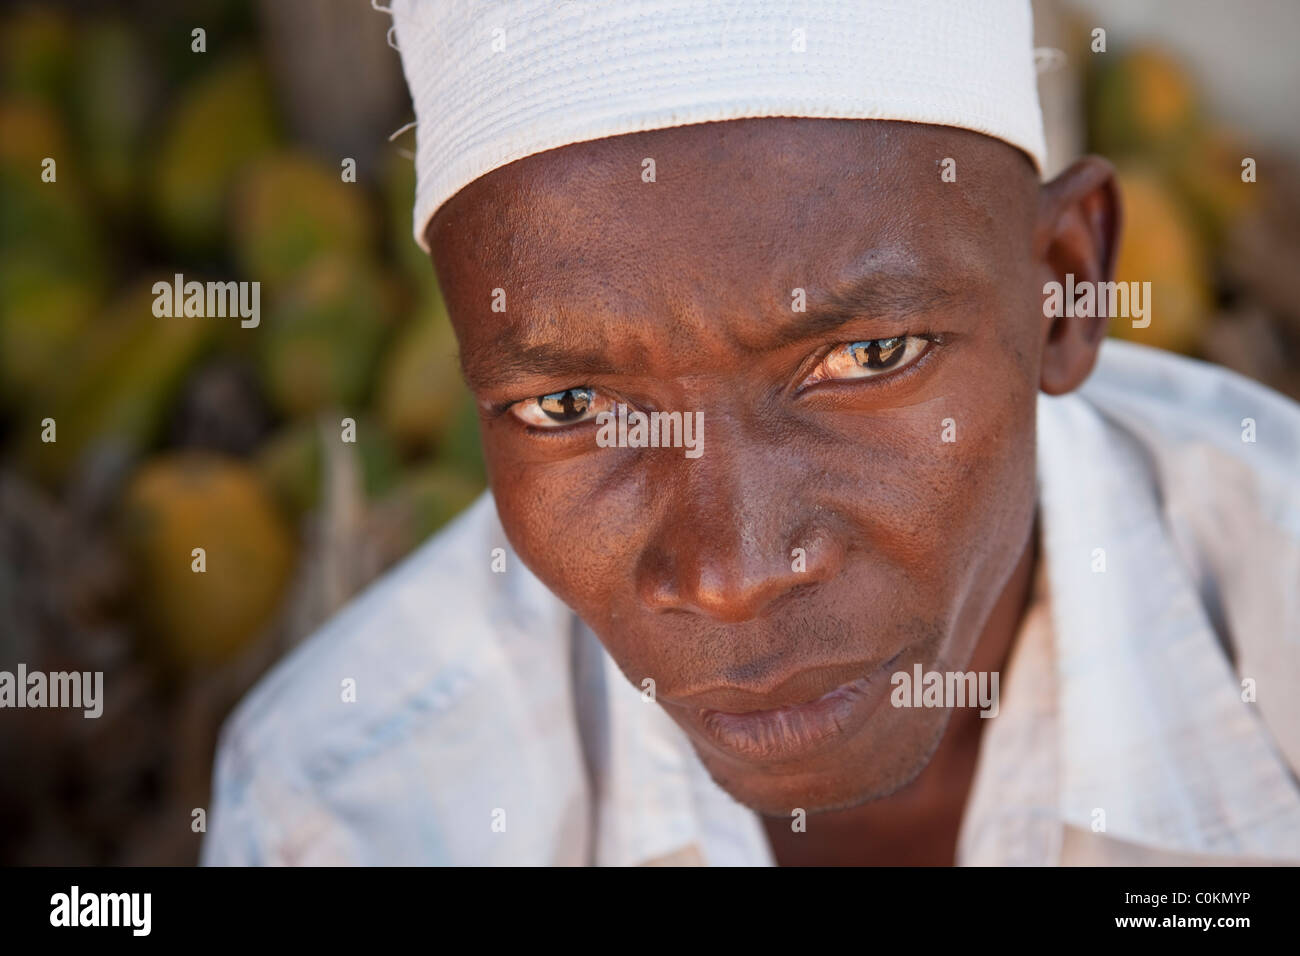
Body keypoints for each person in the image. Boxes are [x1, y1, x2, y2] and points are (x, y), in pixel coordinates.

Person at [202, 0, 1300, 866]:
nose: (730, 572)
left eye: (866, 357)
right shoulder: (343, 818)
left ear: (1062, 289)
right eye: (570, 408)